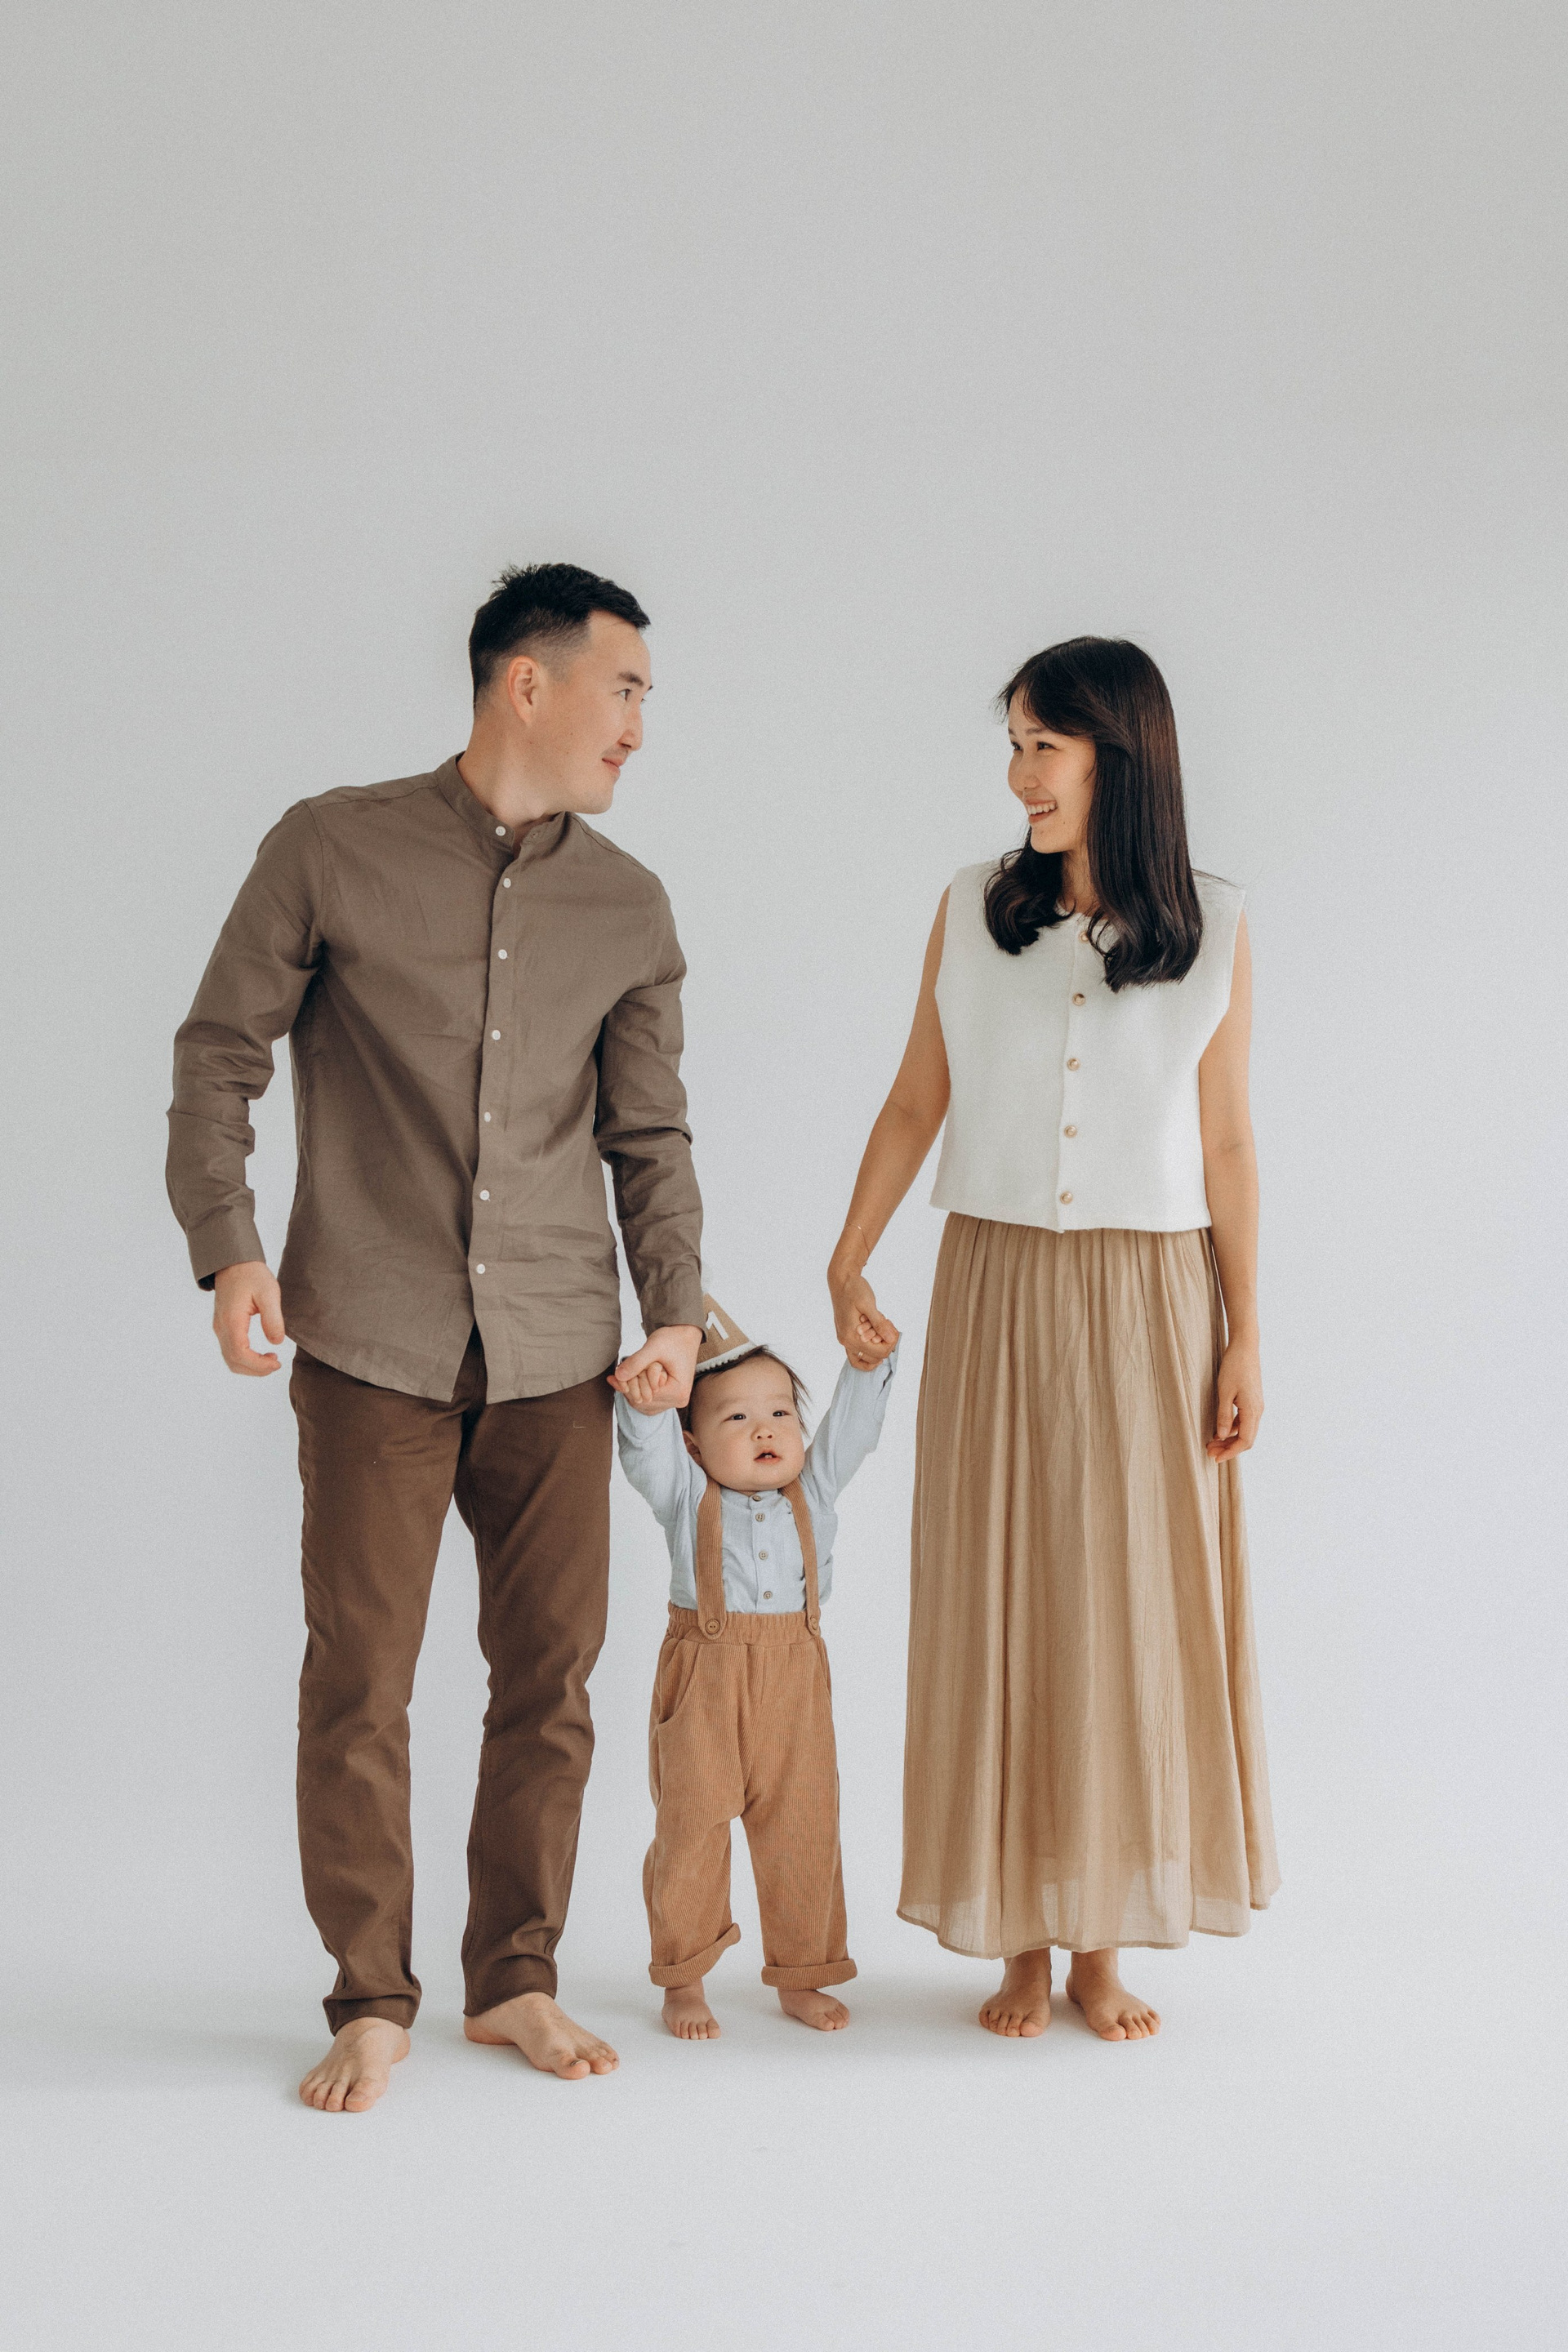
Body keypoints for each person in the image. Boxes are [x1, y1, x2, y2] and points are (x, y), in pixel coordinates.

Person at [167, 563, 706, 2111]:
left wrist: (677, 1309)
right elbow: (217, 1056)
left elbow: (649, 1133)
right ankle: (372, 1999)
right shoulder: (328, 846)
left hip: (559, 1351)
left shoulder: (630, 906)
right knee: (361, 1682)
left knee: (550, 1682)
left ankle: (514, 1980)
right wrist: (229, 1246)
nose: (640, 728)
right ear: (526, 684)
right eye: (625, 691)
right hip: (371, 1339)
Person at [827, 635, 1280, 2042]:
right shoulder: (973, 911)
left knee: (1128, 1609)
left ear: (1119, 758)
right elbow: (917, 1098)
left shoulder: (1215, 923)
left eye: (1047, 746)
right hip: (998, 1280)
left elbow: (1227, 1142)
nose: (1021, 774)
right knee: (1000, 1591)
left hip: (1155, 1298)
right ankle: (1015, 1941)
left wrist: (1245, 1332)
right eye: (1015, 745)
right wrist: (848, 1251)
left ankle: (1100, 1945)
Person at [612, 1292, 896, 2038]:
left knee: (804, 1828)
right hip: (704, 1681)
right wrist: (649, 1407)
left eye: (779, 1412)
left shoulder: (815, 1488)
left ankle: (803, 1975)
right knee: (690, 1831)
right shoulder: (686, 1495)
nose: (765, 1427)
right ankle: (683, 1979)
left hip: (795, 1682)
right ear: (695, 1447)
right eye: (735, 1417)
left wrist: (866, 1367)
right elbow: (647, 1455)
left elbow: (853, 1432)